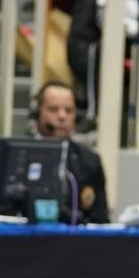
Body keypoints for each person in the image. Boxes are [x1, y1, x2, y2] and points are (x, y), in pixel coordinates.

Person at [30, 81, 108, 224]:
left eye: (69, 110)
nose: (62, 116)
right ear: (37, 113)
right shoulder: (18, 154)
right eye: (53, 109)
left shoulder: (89, 161)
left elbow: (100, 219)